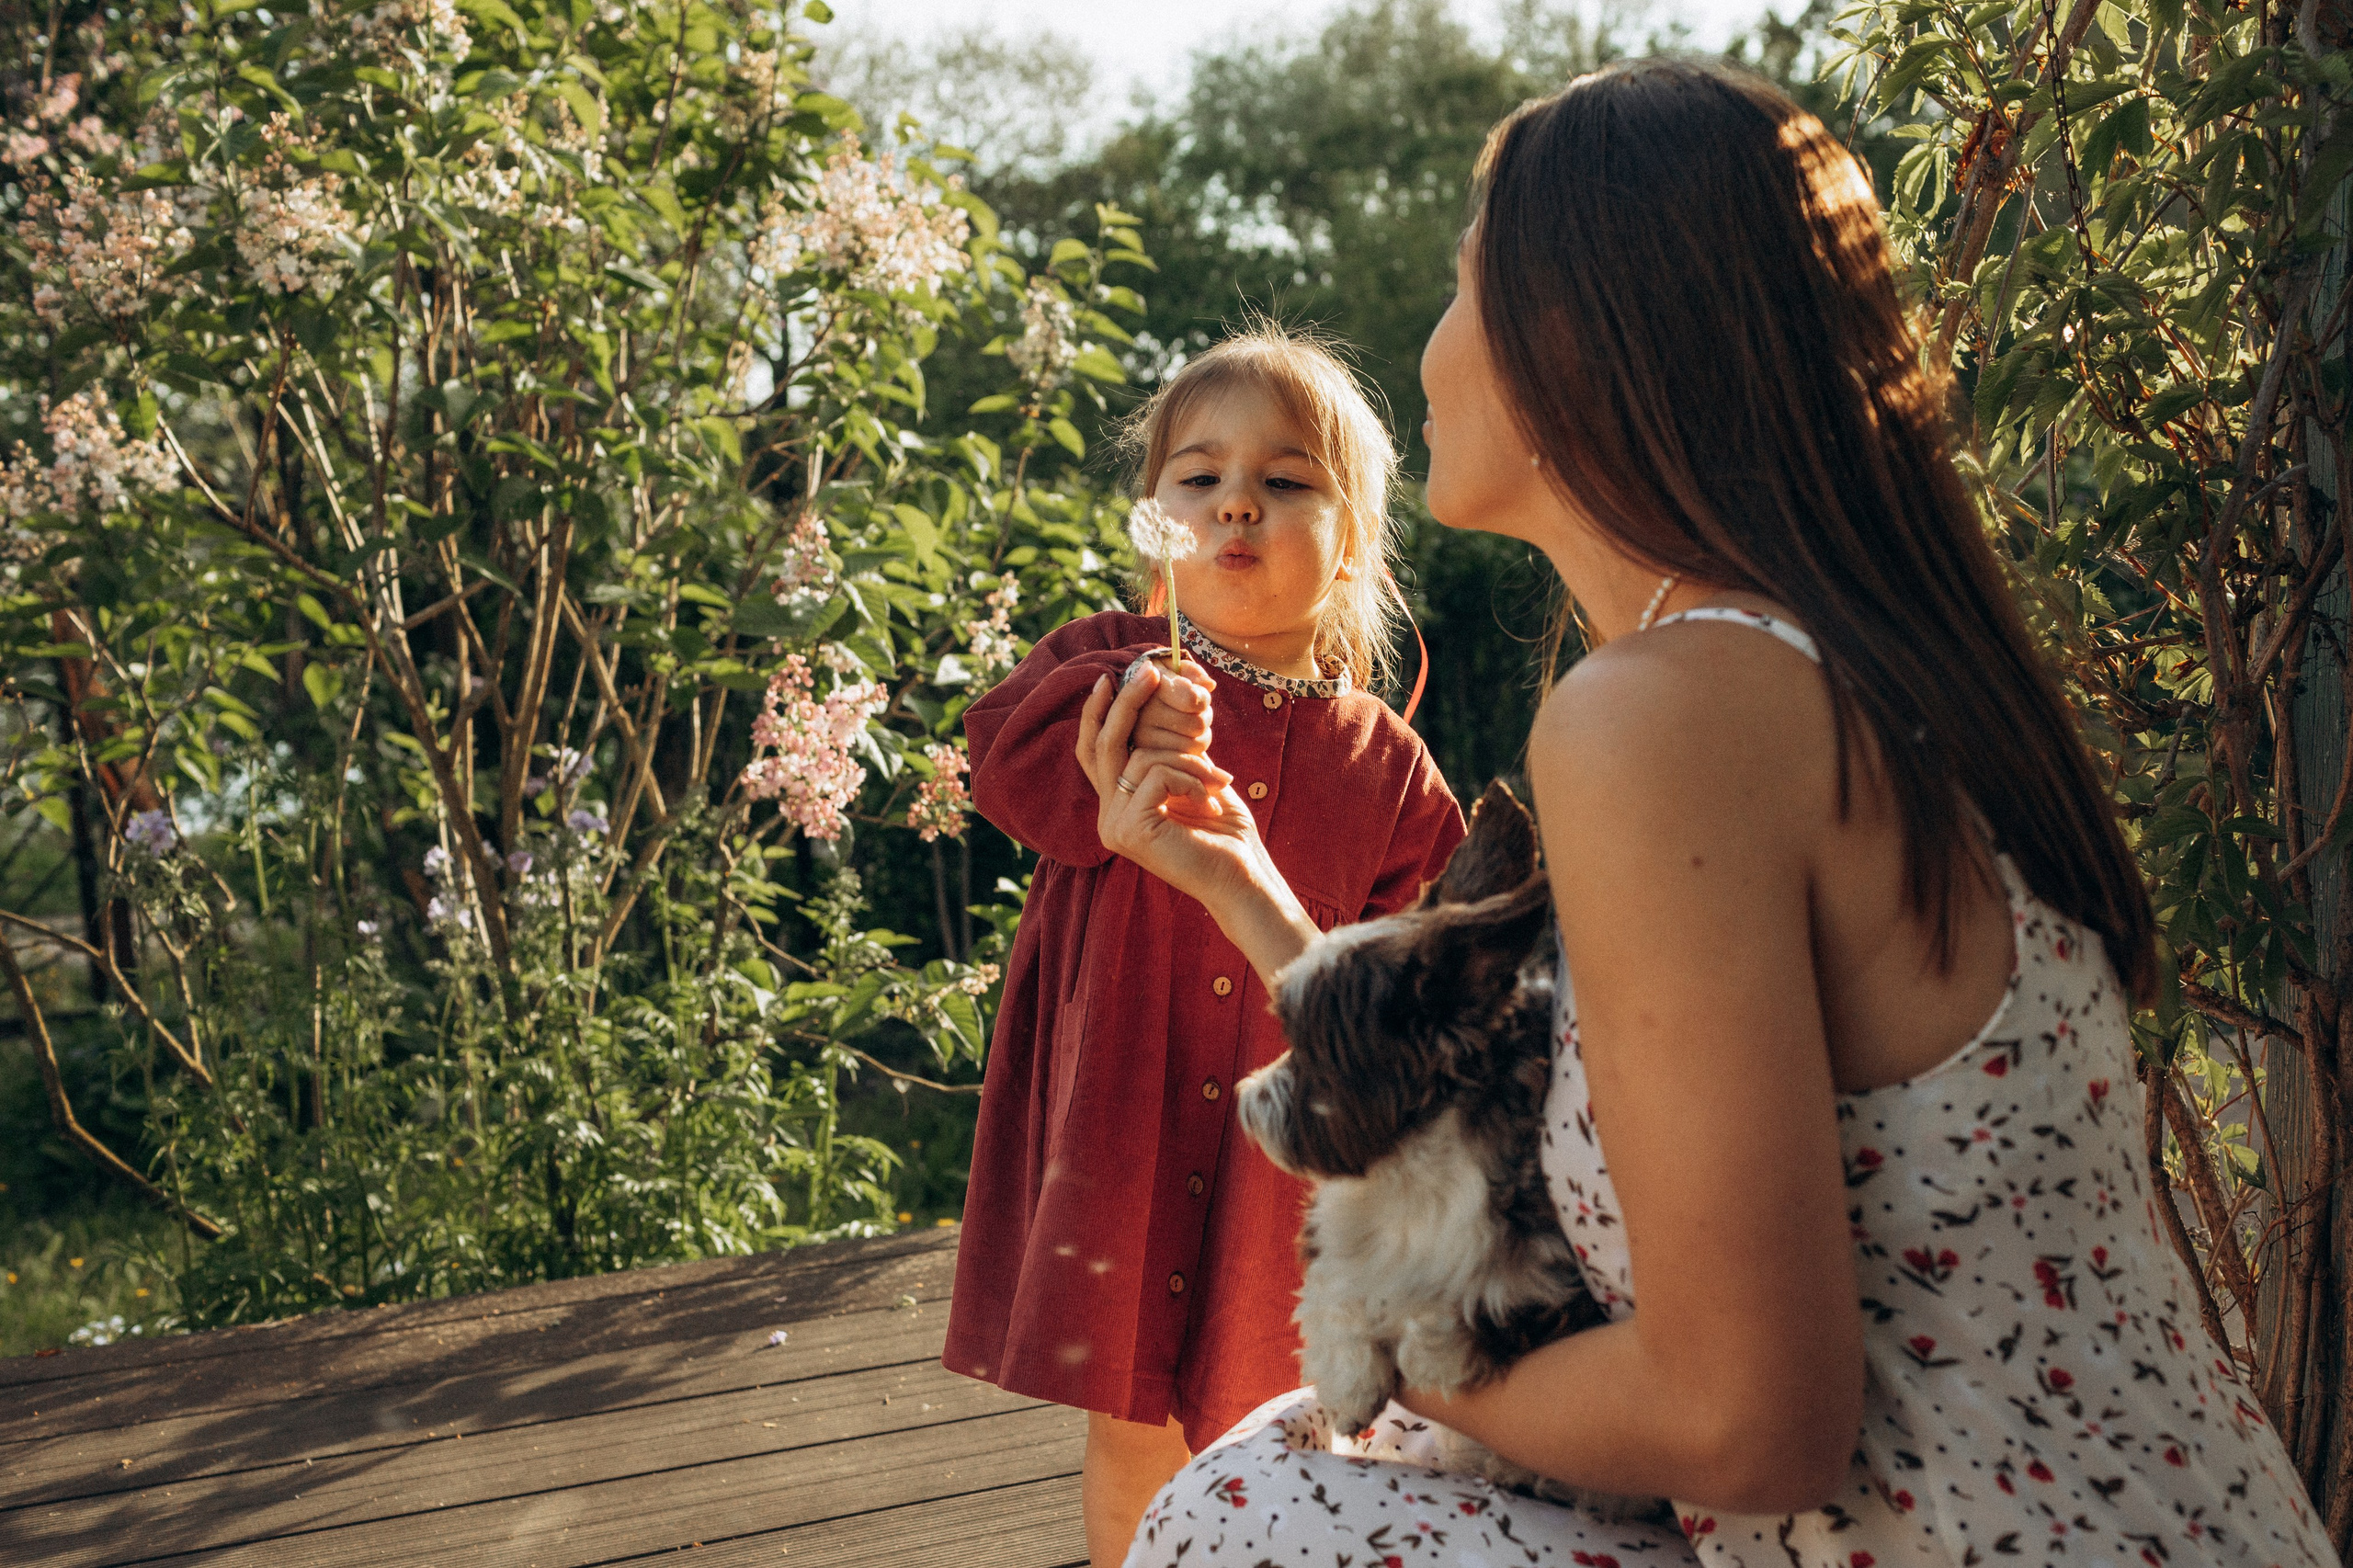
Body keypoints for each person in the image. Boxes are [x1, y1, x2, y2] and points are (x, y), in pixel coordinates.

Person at [1079, 59, 2341, 1568]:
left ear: (1573, 341)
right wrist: (1232, 880)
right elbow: (1510, 1074)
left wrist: (1385, 1347)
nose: (1429, 349)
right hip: (2176, 1521)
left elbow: (1751, 1420)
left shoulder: (1661, 719)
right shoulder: (1854, 662)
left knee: (1256, 1507)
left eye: (1463, 283)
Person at [940, 326, 1467, 1565]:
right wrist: (1115, 713)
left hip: (1276, 1163)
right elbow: (1007, 776)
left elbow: (1413, 964)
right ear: (1153, 528)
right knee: (1131, 1427)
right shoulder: (1103, 671)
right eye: (1199, 476)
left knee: (1275, 1419)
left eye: (1286, 482)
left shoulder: (1384, 760)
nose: (1237, 500)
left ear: (1351, 552)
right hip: (1124, 1126)